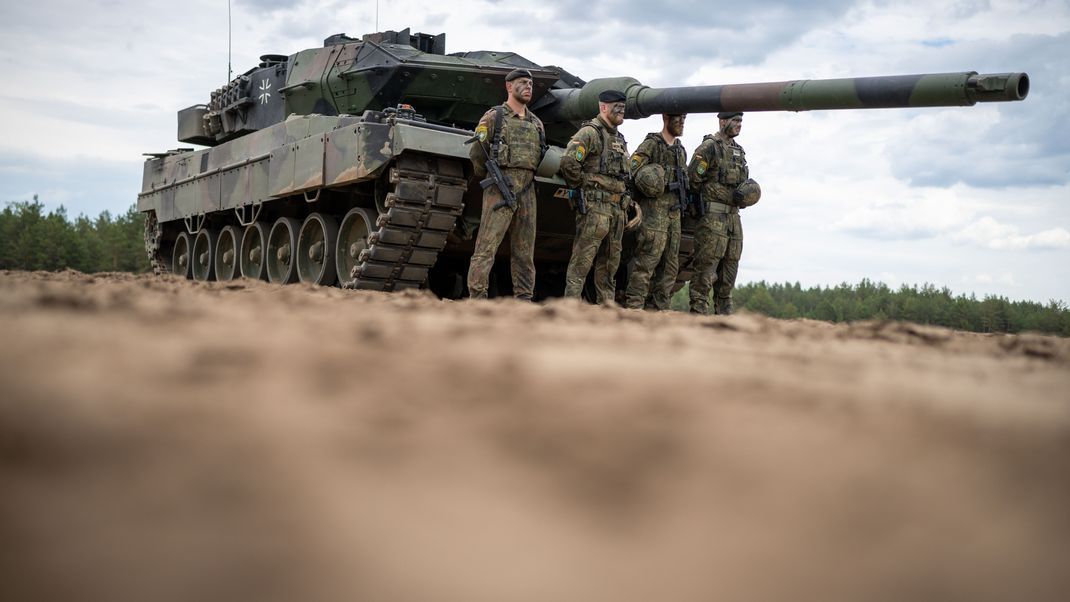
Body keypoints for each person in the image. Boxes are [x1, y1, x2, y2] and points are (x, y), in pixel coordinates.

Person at [466, 68, 547, 300]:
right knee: (486, 247)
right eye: (522, 82)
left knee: (524, 251)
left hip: (528, 189)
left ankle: (523, 298)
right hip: (500, 186)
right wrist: (490, 177)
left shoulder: (536, 123)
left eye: (531, 83)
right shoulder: (495, 117)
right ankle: (477, 296)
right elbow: (477, 152)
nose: (528, 87)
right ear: (509, 87)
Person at [558, 90, 631, 304]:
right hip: (595, 208)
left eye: (623, 108)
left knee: (610, 264)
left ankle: (606, 305)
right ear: (603, 107)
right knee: (582, 260)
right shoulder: (590, 133)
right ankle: (570, 305)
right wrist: (584, 186)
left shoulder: (619, 138)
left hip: (616, 210)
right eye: (616, 107)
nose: (620, 111)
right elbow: (568, 162)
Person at [686, 111, 754, 315]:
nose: (739, 124)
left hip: (733, 218)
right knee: (706, 269)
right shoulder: (709, 147)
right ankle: (698, 313)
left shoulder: (739, 151)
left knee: (730, 269)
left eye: (741, 121)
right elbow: (693, 180)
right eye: (735, 120)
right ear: (722, 121)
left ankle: (724, 315)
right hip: (712, 218)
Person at [624, 113, 687, 310]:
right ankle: (634, 305)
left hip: (673, 214)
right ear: (666, 118)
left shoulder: (680, 150)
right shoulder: (652, 144)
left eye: (685, 118)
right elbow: (631, 169)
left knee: (670, 265)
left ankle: (661, 307)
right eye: (678, 118)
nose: (682, 122)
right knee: (646, 262)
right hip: (653, 213)